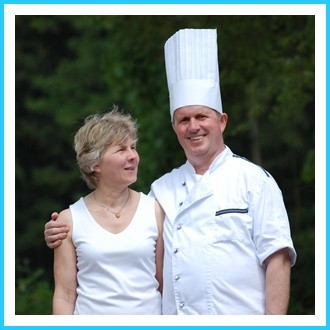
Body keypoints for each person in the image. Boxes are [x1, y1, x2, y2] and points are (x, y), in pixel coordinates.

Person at [45, 29, 296, 315]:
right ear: (174, 127)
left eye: (202, 116)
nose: (193, 127)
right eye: (183, 119)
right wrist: (57, 230)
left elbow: (278, 259)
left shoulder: (255, 180)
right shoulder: (162, 190)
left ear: (222, 121)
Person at [51, 106, 164, 315]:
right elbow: (64, 295)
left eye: (133, 147)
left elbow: (164, 283)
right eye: (121, 150)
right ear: (95, 164)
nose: (133, 156)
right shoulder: (69, 220)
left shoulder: (155, 210)